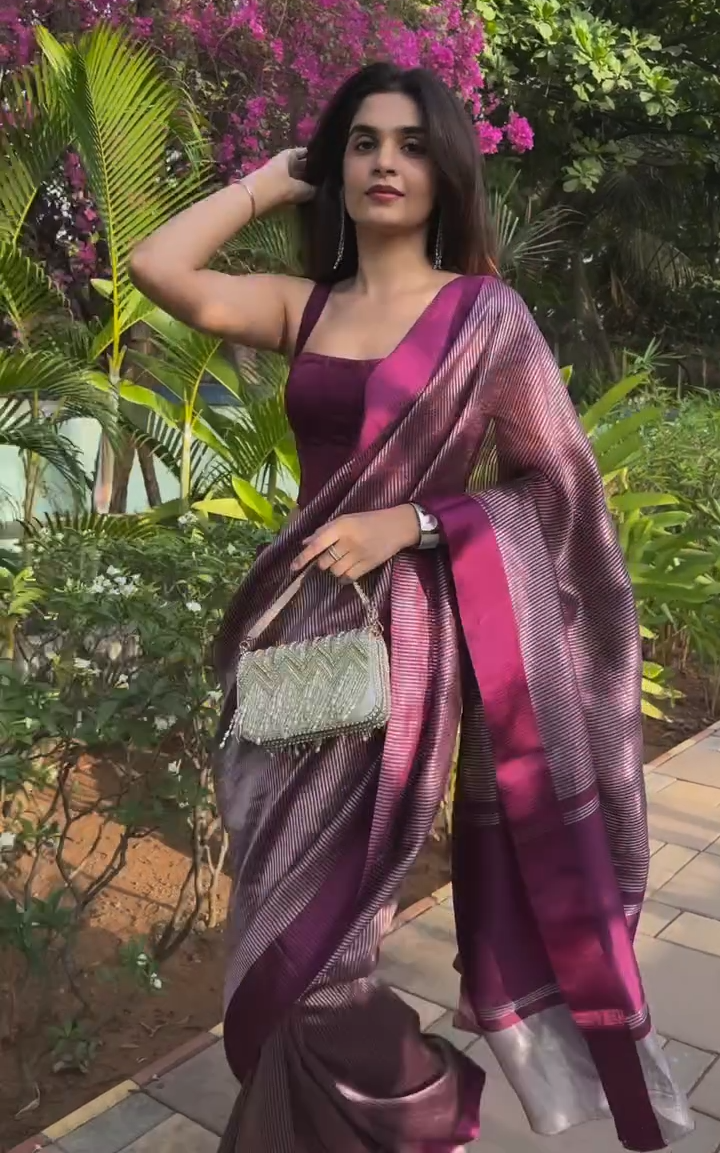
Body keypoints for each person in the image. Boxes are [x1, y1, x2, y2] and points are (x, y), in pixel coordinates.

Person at [130, 64, 691, 1152]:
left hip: (403, 657)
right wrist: (272, 177)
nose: (387, 161)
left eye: (413, 143)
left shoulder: (488, 319)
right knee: (273, 930)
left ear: (448, 170)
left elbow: (555, 485)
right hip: (291, 646)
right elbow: (161, 266)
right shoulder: (309, 305)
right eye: (364, 143)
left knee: (323, 955)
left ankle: (424, 1112)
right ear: (338, 166)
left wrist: (417, 524)